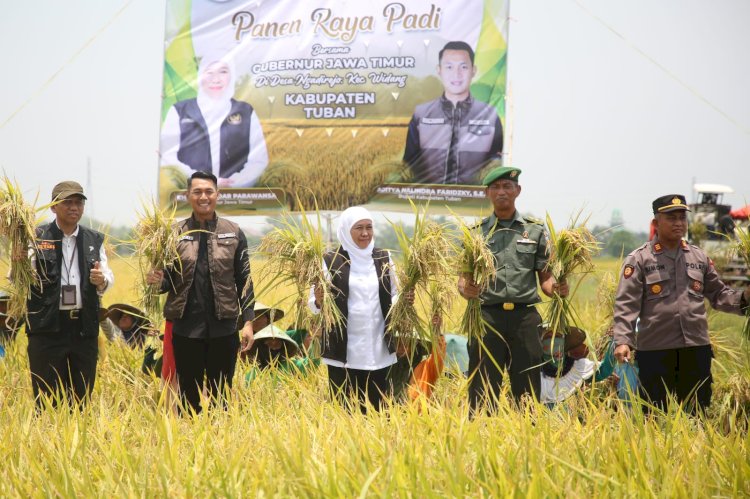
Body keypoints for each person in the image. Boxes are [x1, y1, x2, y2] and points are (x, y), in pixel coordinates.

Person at [613, 194, 750, 414]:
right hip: (656, 351)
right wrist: (623, 341)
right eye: (672, 218)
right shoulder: (639, 259)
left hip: (696, 350)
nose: (679, 223)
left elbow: (719, 295)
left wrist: (744, 297)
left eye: (682, 218)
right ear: (656, 224)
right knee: (654, 417)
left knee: (697, 414)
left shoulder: (698, 257)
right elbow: (626, 304)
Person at [458, 166, 568, 413]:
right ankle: (482, 437)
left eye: (507, 186)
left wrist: (556, 288)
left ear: (518, 190)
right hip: (486, 318)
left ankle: (526, 436)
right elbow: (463, 280)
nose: (502, 192)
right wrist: (467, 290)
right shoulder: (475, 234)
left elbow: (546, 279)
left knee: (527, 388)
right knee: (483, 387)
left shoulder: (536, 230)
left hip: (525, 319)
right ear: (487, 193)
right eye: (495, 187)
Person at [147, 171, 255, 414]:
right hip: (186, 328)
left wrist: (248, 323)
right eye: (197, 192)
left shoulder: (234, 232)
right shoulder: (174, 233)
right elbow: (167, 282)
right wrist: (157, 280)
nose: (203, 196)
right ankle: (189, 445)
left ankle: (221, 444)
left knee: (222, 396)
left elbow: (245, 281)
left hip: (224, 326)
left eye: (208, 191)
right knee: (188, 396)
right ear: (188, 196)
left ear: (217, 195)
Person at [310, 206, 412, 413]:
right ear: (346, 230)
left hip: (377, 346)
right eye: (358, 228)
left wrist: (405, 299)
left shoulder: (383, 258)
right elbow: (313, 304)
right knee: (344, 411)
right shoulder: (330, 260)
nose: (365, 233)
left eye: (369, 227)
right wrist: (319, 300)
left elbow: (394, 294)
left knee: (379, 410)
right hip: (343, 348)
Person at [22, 181, 114, 408]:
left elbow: (107, 276)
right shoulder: (35, 237)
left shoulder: (94, 239)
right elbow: (19, 280)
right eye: (68, 203)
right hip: (47, 329)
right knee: (47, 402)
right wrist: (18, 263)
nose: (74, 208)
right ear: (54, 207)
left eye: (79, 203)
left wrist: (102, 280)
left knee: (81, 400)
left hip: (83, 329)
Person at [160, 52, 269, 188]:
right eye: (209, 72)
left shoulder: (246, 112)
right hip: (189, 199)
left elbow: (258, 160)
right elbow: (167, 156)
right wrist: (201, 181)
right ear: (200, 76)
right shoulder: (179, 111)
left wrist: (234, 183)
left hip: (236, 199)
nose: (216, 79)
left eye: (223, 72)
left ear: (232, 75)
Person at [403, 41, 503, 185]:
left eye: (463, 67)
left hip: (473, 204)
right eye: (449, 67)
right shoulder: (421, 114)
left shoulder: (490, 116)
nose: (456, 74)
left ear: (473, 71)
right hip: (428, 202)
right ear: (439, 70)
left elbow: (496, 165)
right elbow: (408, 165)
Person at [244, 324, 318, 384]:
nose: (273, 348)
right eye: (269, 343)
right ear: (260, 347)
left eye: (277, 344)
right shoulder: (252, 374)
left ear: (283, 347)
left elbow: (310, 365)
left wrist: (316, 340)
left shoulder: (292, 365)